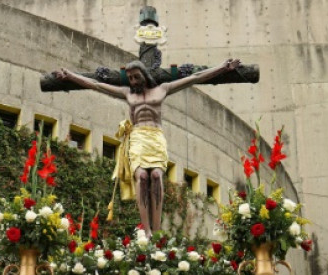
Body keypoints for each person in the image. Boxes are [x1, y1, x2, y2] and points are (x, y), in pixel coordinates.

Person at [53, 59, 240, 233]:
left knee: (157, 176)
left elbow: (194, 78)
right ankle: (147, 230)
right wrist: (70, 76)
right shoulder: (127, 93)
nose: (133, 81)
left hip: (155, 138)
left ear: (144, 75)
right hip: (138, 137)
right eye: (131, 78)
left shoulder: (162, 89)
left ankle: (156, 229)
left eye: (136, 76)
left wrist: (223, 68)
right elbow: (97, 85)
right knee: (142, 177)